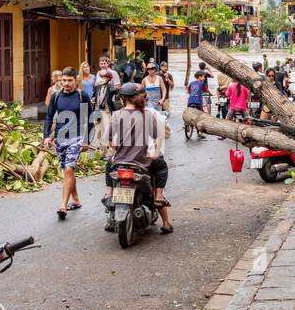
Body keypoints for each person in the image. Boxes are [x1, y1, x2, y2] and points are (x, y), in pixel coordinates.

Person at [106, 82, 173, 233]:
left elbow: (109, 140)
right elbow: (159, 136)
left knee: (108, 164)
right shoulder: (149, 114)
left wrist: (115, 149)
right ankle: (160, 197)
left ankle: (108, 193)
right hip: (142, 162)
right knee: (161, 166)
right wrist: (154, 153)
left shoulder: (117, 115)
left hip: (120, 162)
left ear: (122, 98)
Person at [43, 67, 92, 221]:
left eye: (69, 80)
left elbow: (89, 119)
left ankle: (63, 206)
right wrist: (46, 137)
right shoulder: (56, 96)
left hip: (76, 138)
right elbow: (49, 117)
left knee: (69, 169)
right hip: (60, 139)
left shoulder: (81, 96)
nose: (66, 83)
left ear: (75, 80)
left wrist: (86, 140)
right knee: (67, 171)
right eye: (64, 80)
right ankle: (76, 200)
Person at [186, 71, 209, 138]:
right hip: (198, 102)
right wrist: (209, 93)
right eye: (203, 76)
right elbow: (205, 90)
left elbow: (189, 91)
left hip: (190, 101)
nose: (204, 78)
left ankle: (186, 124)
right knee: (201, 116)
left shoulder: (191, 83)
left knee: (188, 112)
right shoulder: (202, 83)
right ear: (199, 77)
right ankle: (201, 133)